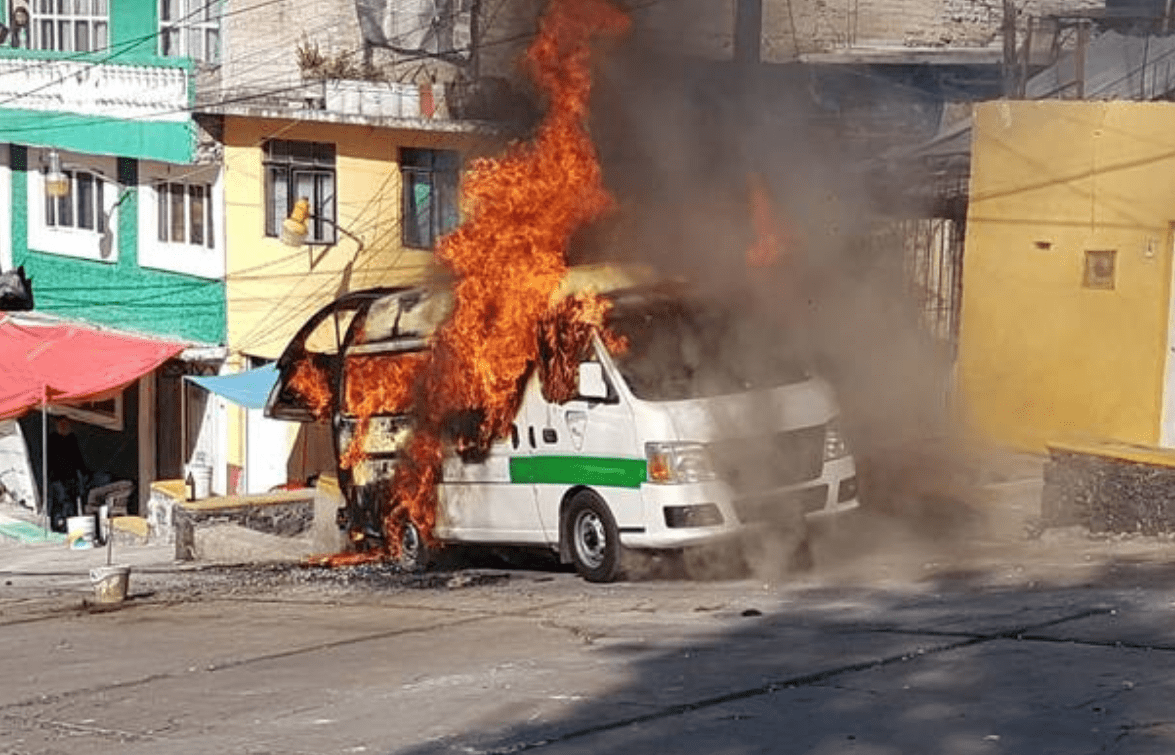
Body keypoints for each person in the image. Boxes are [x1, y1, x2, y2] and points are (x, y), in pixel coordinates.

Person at [47, 417, 88, 533]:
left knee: (71, 502)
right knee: (60, 501)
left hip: (71, 477)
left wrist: (82, 473)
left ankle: (69, 524)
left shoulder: (71, 439)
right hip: (57, 477)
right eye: (61, 425)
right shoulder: (53, 439)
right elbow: (49, 460)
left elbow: (77, 458)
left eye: (66, 425)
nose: (64, 428)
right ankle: (57, 524)